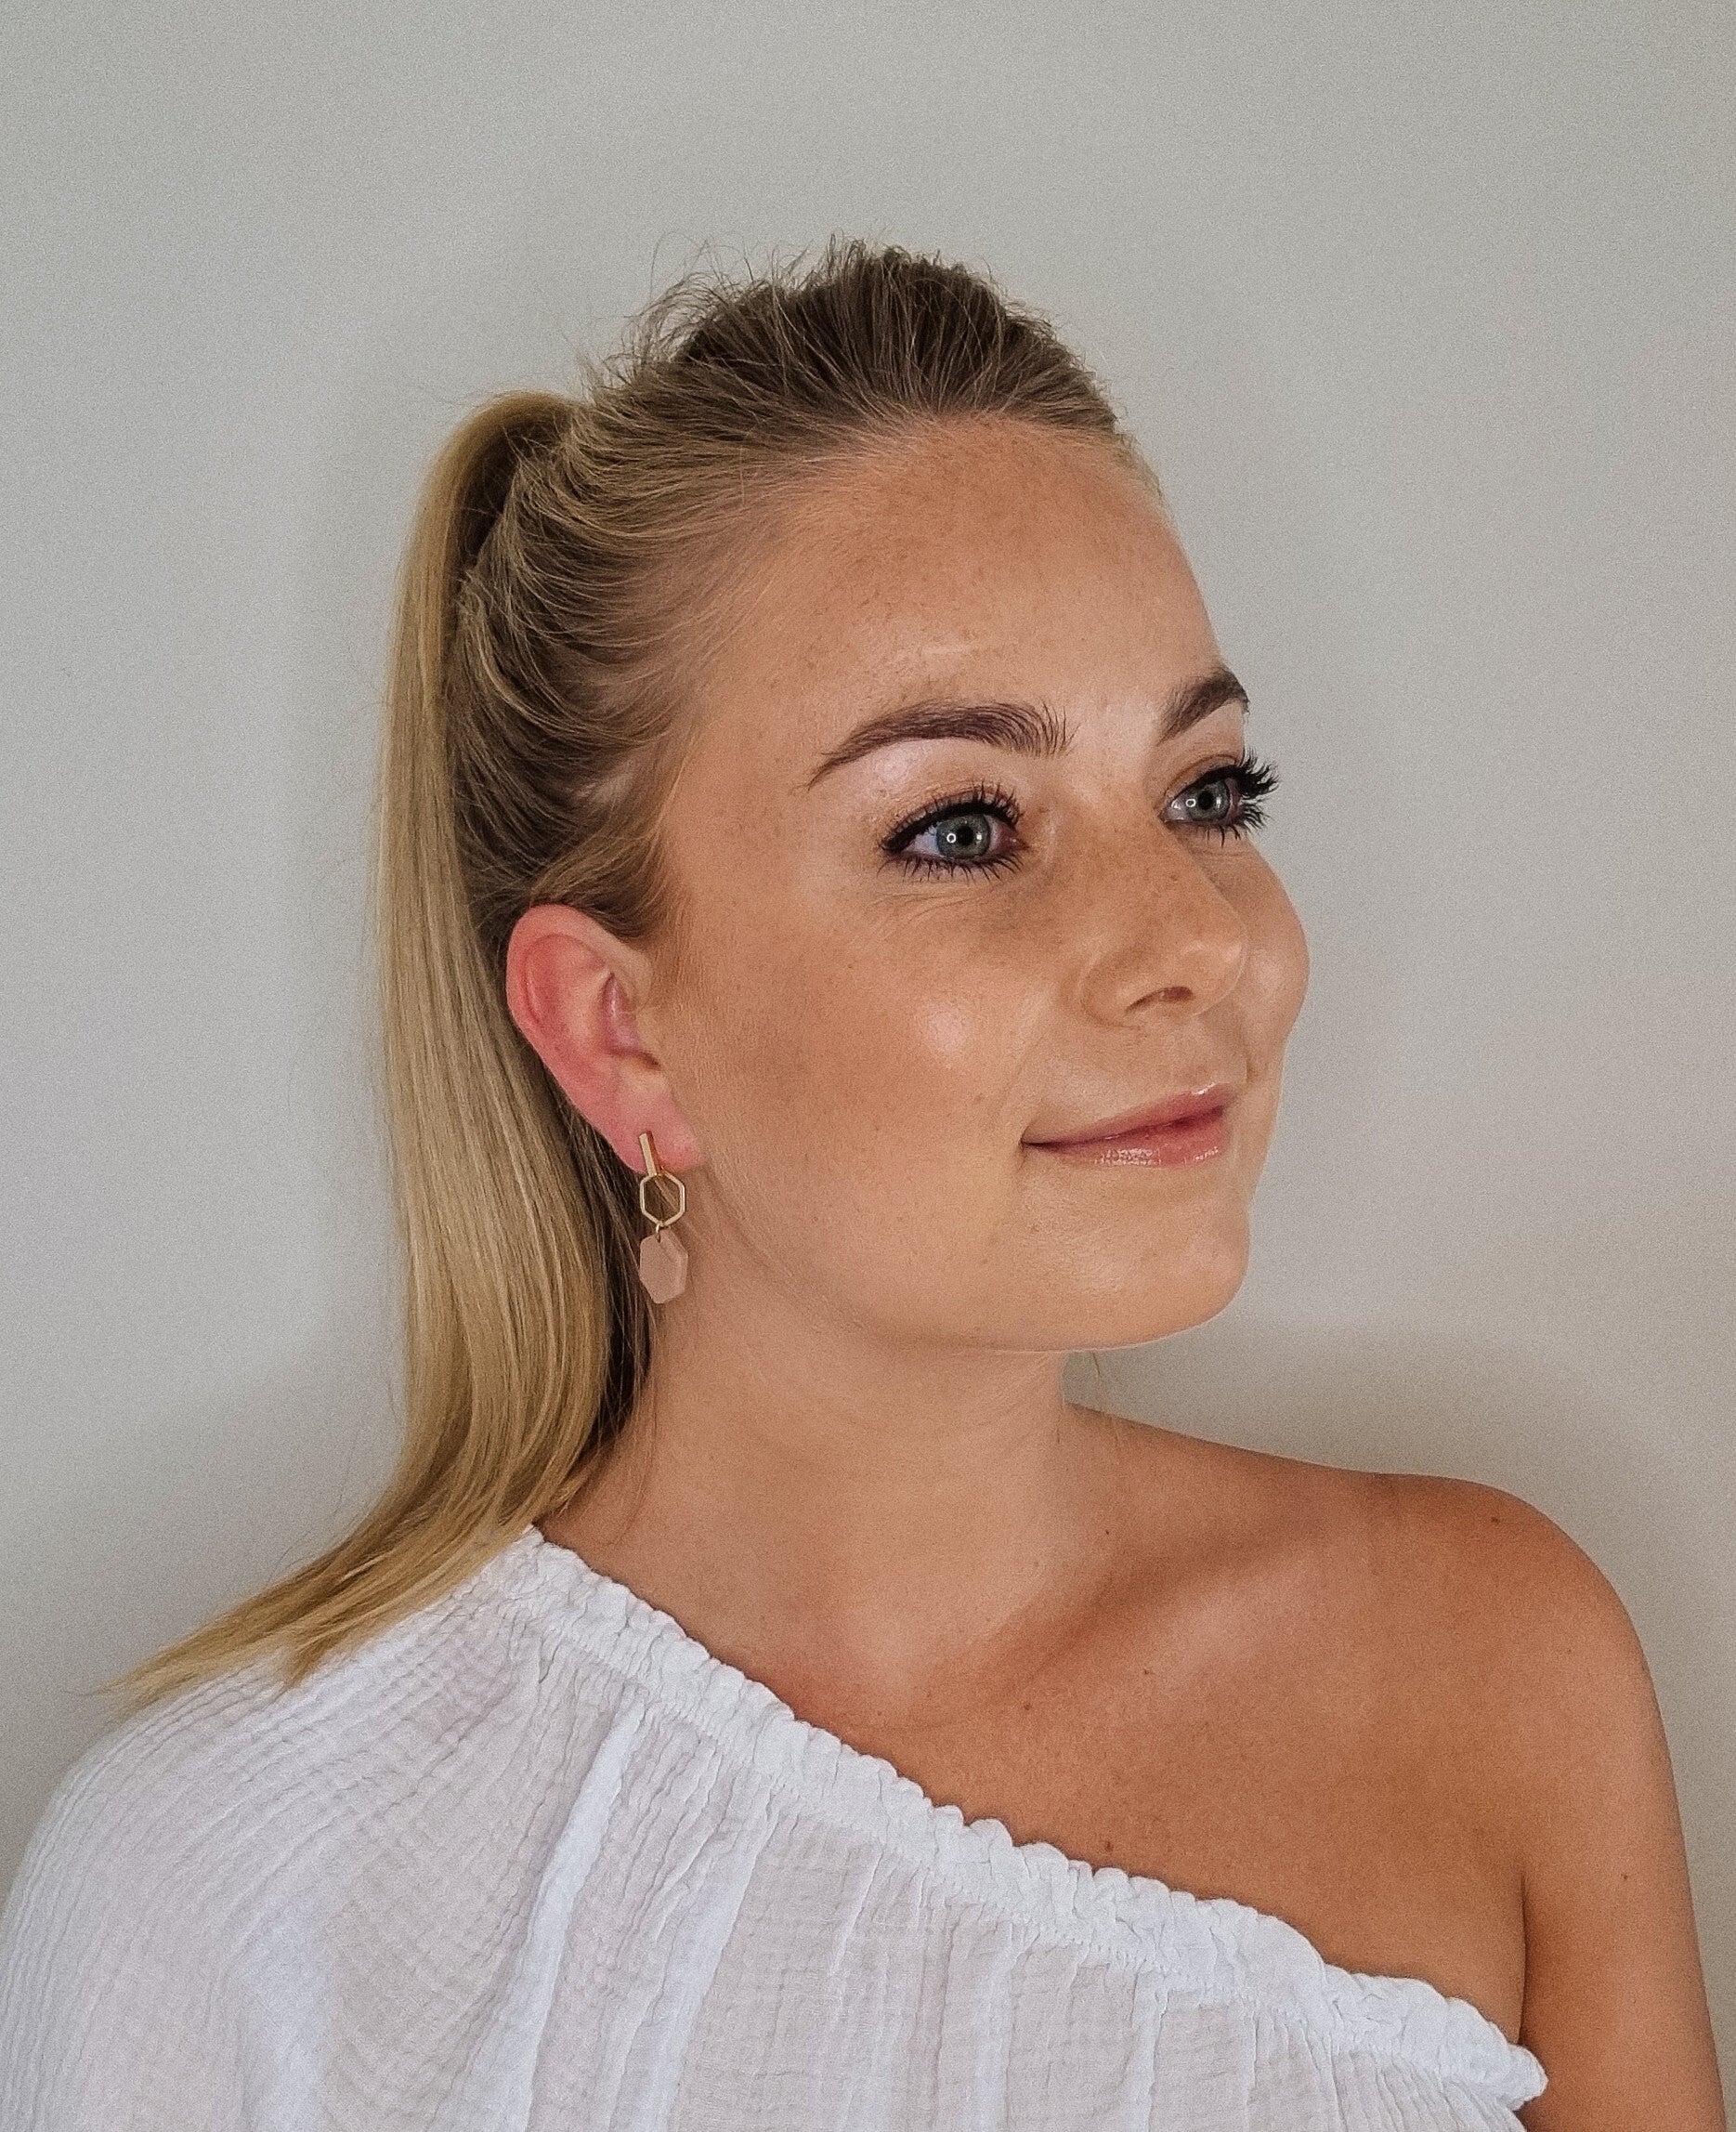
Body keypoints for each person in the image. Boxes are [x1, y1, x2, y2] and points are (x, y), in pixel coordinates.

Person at [0, 240, 1722, 2132]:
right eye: (962, 828)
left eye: (1207, 791)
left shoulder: (1493, 1671)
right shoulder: (233, 1889)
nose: (1194, 940)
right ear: (619, 1033)